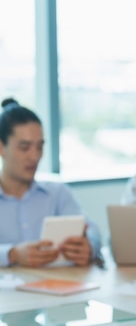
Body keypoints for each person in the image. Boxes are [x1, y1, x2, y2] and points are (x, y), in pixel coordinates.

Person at [0, 98, 102, 268]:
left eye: (39, 147)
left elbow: (93, 231)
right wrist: (12, 254)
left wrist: (89, 247)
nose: (35, 157)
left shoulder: (57, 193)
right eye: (24, 148)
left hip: (55, 288)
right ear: (1, 147)